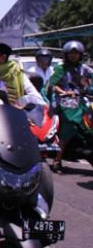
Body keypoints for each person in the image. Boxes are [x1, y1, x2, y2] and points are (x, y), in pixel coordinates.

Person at [49, 40, 93, 171]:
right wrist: (64, 92)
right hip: (66, 102)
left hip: (82, 101)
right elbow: (52, 85)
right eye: (71, 53)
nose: (73, 56)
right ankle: (57, 159)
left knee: (88, 127)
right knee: (70, 126)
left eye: (76, 53)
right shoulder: (60, 68)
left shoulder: (84, 69)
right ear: (66, 54)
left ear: (81, 55)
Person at [0, 42, 46, 107]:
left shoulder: (16, 71)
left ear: (3, 58)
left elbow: (35, 96)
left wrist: (24, 100)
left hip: (15, 112)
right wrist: (1, 102)